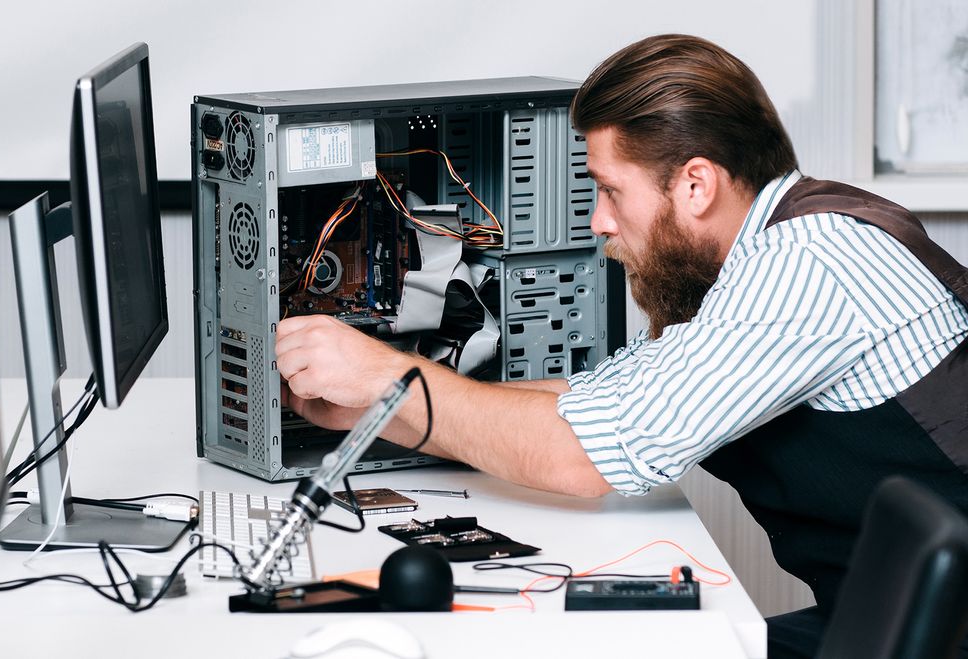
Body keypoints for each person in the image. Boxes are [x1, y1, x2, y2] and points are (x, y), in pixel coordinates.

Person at [275, 34, 968, 657]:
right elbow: (585, 398)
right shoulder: (753, 263)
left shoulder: (813, 260)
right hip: (895, 616)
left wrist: (385, 371)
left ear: (695, 183)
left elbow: (583, 451)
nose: (599, 221)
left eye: (610, 189)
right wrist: (375, 410)